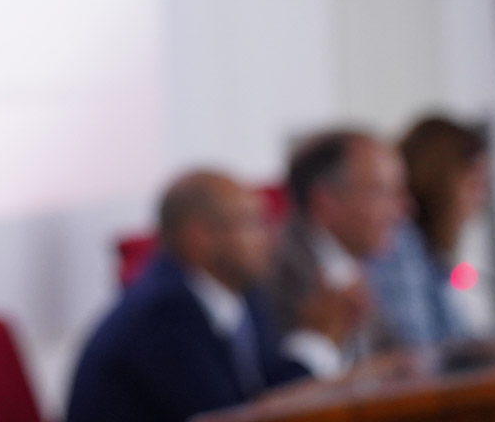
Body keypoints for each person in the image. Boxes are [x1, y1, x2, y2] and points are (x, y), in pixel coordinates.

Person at [64, 171, 355, 422]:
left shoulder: (241, 291)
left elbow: (264, 388)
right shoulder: (163, 314)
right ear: (200, 236)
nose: (271, 237)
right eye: (252, 223)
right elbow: (235, 414)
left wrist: (320, 340)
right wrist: (320, 340)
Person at [268, 129, 410, 374]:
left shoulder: (357, 265)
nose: (402, 209)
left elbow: (396, 357)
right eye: (382, 192)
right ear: (326, 201)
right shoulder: (278, 271)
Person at [365, 116, 490, 348]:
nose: (481, 200)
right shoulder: (398, 242)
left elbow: (454, 338)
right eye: (474, 184)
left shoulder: (427, 249)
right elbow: (417, 348)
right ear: (443, 184)